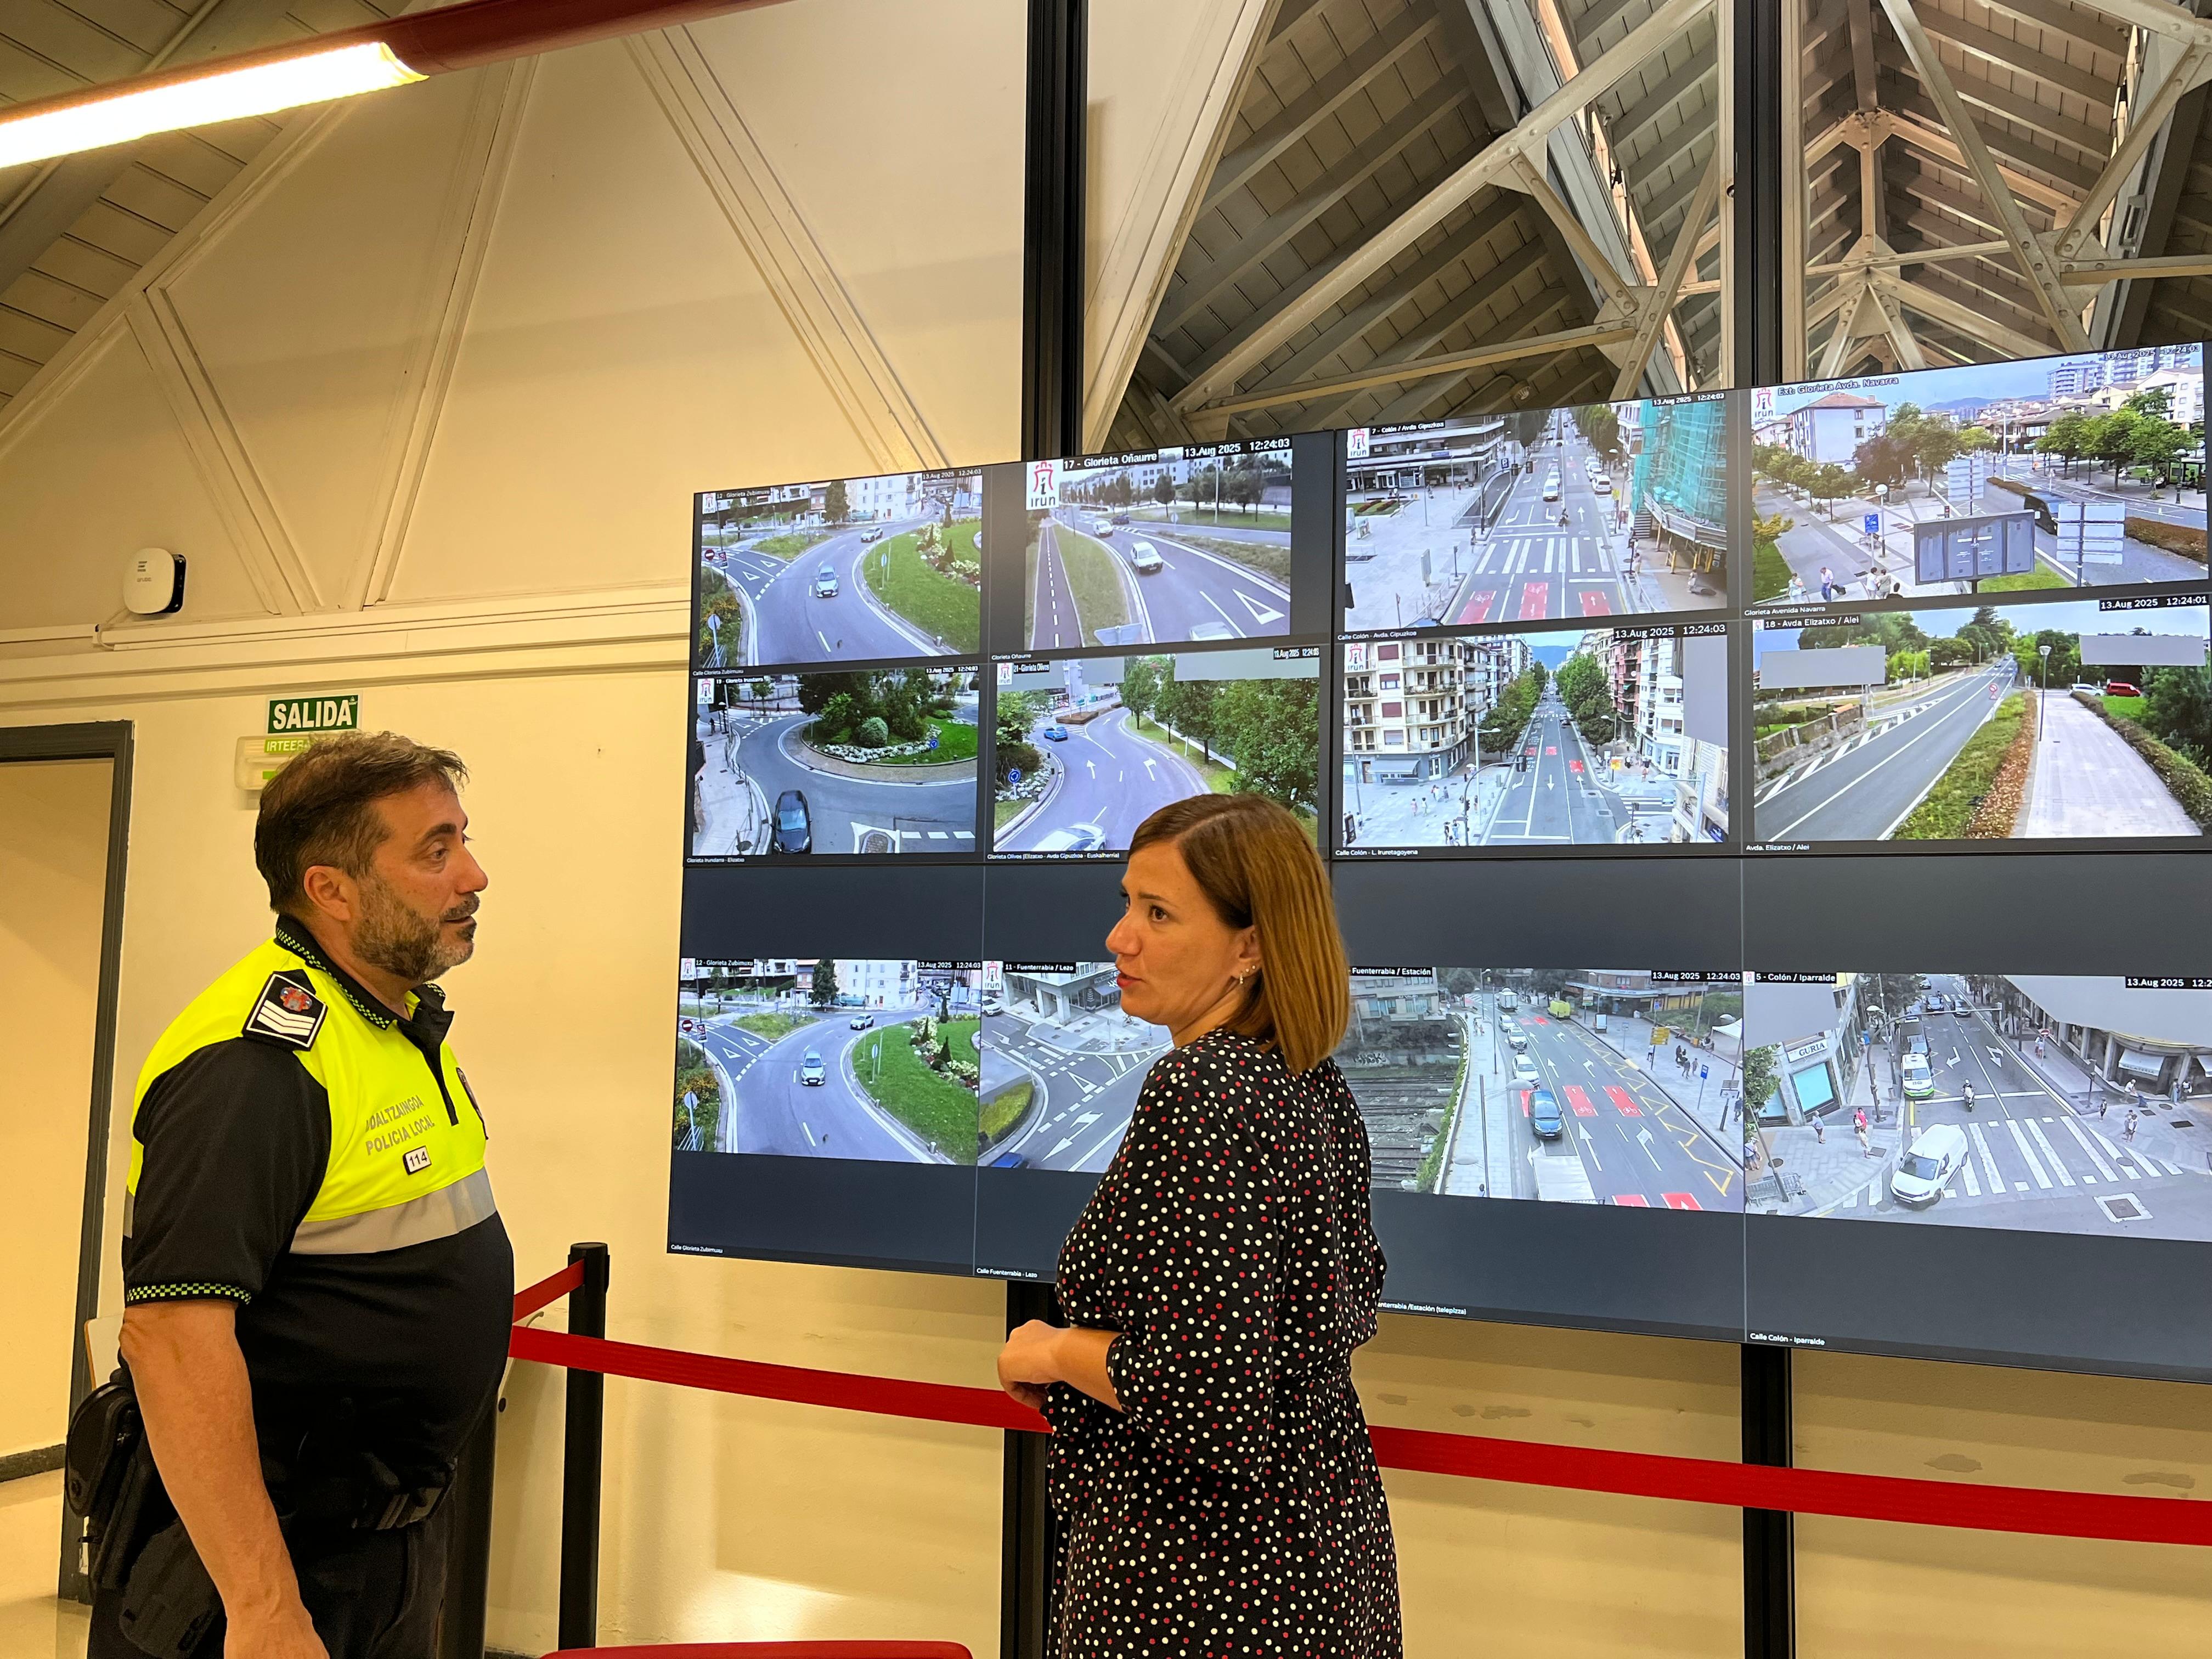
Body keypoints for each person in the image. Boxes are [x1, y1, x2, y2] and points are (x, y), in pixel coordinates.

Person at [91, 733, 510, 1659]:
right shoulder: (254, 1067)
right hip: (264, 1574)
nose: (473, 874)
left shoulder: (393, 1023)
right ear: (332, 890)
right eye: (434, 851)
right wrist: (265, 1608)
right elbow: (169, 1337)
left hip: (377, 1548)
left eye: (464, 840)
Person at [995, 794, 1401, 1657]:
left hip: (1196, 1574)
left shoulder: (1202, 1090)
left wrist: (1054, 1351)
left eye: (1159, 914)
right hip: (1319, 1543)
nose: (1119, 938)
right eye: (1126, 904)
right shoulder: (1311, 1084)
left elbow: (1207, 1396)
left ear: (1249, 946)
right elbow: (1348, 1302)